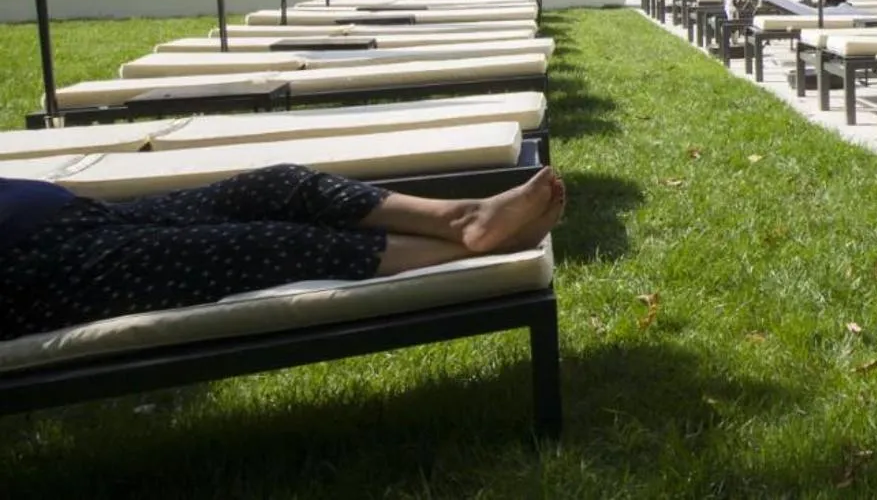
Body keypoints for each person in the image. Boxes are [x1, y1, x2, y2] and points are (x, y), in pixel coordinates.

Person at [0, 164, 565, 343]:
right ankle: (466, 250)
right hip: (34, 270)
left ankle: (460, 218)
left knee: (276, 186)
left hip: (78, 212)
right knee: (261, 246)